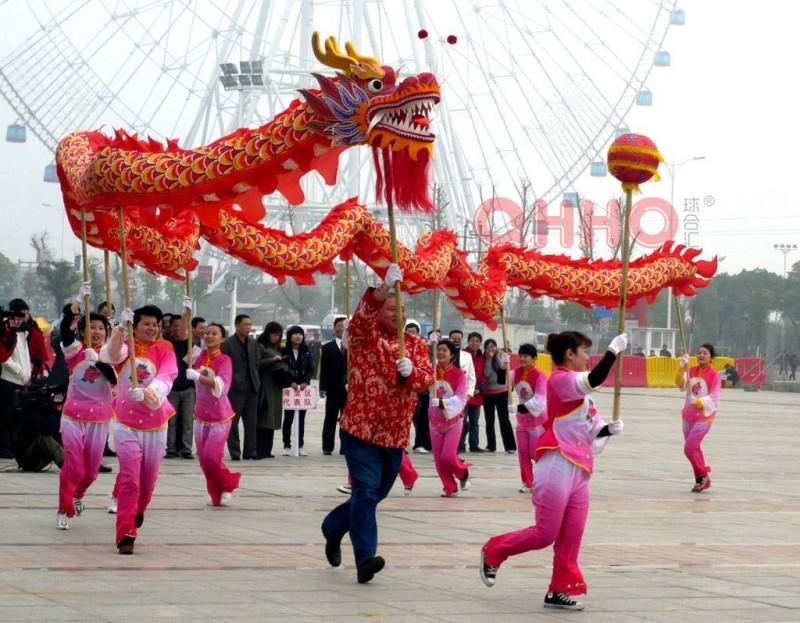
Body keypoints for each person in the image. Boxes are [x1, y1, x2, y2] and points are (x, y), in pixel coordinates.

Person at [480, 331, 628, 611]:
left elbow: (591, 427)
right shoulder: (560, 379)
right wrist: (612, 351)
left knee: (572, 535)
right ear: (570, 355)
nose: (587, 356)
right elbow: (594, 379)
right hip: (556, 463)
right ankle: (494, 551)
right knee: (545, 534)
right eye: (584, 351)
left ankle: (559, 589)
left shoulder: (582, 394)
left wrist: (608, 429)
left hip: (580, 469)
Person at [321, 264, 433, 584]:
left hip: (395, 434)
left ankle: (332, 527)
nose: (398, 314)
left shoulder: (414, 344)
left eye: (403, 308)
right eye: (391, 308)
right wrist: (381, 289)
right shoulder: (362, 335)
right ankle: (365, 558)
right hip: (361, 430)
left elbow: (425, 380)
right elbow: (361, 317)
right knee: (366, 494)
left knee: (373, 495)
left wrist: (412, 372)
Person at [103, 304, 178, 554]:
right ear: (136, 326)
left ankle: (138, 509)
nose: (152, 328)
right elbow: (108, 357)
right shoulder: (127, 347)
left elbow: (167, 377)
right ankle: (125, 533)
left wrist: (147, 392)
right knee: (130, 479)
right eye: (146, 323)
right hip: (126, 423)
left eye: (156, 324)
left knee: (146, 483)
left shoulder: (165, 349)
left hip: (156, 423)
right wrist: (119, 331)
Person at [56, 305, 116, 530]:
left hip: (99, 419)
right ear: (83, 331)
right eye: (92, 327)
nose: (97, 331)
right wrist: (72, 310)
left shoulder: (114, 353)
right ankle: (63, 508)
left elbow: (114, 378)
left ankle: (77, 494)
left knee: (90, 472)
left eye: (101, 328)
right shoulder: (75, 350)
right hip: (72, 415)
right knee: (74, 466)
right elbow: (65, 331)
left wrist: (100, 361)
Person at [187, 323, 241, 507]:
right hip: (200, 415)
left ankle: (227, 485)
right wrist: (186, 312)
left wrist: (199, 377)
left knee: (212, 457)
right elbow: (182, 337)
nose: (209, 336)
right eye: (207, 333)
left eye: (214, 333)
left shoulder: (225, 360)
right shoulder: (197, 355)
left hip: (220, 417)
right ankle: (216, 493)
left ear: (222, 338)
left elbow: (222, 386)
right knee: (204, 461)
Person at [0, 298, 49, 458]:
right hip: (9, 378)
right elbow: (5, 357)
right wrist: (20, 372)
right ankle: (3, 447)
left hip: (22, 380)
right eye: (22, 314)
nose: (25, 317)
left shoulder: (24, 332)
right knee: (6, 416)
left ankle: (13, 446)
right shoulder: (6, 331)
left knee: (17, 417)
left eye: (27, 313)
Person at [676, 343, 721, 492]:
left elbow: (714, 397)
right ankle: (700, 480)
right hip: (688, 415)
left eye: (705, 353)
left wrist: (699, 402)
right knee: (694, 449)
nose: (701, 355)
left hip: (704, 417)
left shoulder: (714, 375)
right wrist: (682, 367)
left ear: (711, 357)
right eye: (699, 352)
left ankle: (703, 473)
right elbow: (680, 384)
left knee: (689, 448)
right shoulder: (691, 370)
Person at [429, 339, 470, 497]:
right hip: (434, 421)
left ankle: (462, 472)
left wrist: (441, 402)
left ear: (452, 355)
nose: (440, 353)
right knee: (439, 461)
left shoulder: (459, 375)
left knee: (448, 456)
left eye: (444, 350)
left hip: (453, 422)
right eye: (438, 350)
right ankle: (450, 488)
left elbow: (461, 399)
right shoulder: (431, 371)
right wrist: (429, 343)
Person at [221, 314, 260, 461]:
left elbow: (256, 362)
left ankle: (250, 451)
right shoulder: (228, 344)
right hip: (235, 389)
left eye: (250, 324)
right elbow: (224, 365)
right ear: (237, 326)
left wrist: (256, 381)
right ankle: (235, 452)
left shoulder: (253, 342)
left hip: (252, 387)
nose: (248, 327)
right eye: (245, 324)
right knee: (233, 422)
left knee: (251, 422)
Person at [512, 343, 547, 494]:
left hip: (537, 421)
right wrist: (501, 361)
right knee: (523, 453)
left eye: (526, 356)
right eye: (521, 356)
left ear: (534, 358)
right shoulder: (515, 373)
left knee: (536, 452)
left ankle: (542, 480)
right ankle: (528, 482)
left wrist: (519, 407)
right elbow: (502, 378)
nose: (522, 359)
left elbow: (539, 400)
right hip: (522, 421)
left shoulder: (540, 375)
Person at [165, 300, 195, 459]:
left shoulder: (190, 344)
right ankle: (171, 448)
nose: (178, 329)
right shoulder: (167, 344)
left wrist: (187, 312)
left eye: (181, 326)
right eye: (175, 326)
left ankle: (186, 449)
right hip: (172, 389)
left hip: (188, 389)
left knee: (187, 422)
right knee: (171, 422)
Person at [281, 325, 315, 456]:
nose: (298, 336)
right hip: (290, 389)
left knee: (301, 418)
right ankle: (286, 445)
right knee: (288, 418)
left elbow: (311, 369)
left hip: (302, 389)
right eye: (295, 334)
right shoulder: (284, 351)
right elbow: (281, 367)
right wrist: (290, 382)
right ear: (290, 336)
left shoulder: (306, 351)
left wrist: (305, 382)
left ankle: (300, 445)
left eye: (300, 334)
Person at [480, 339, 516, 453]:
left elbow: (504, 369)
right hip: (488, 393)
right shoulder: (484, 359)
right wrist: (489, 359)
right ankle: (491, 445)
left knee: (504, 419)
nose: (491, 349)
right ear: (485, 348)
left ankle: (510, 446)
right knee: (489, 420)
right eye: (488, 347)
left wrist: (504, 359)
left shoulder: (501, 356)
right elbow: (486, 373)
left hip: (501, 392)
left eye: (493, 347)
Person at [320, 316, 348, 455]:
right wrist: (322, 387)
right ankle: (327, 446)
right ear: (334, 328)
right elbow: (323, 369)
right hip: (332, 388)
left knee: (346, 419)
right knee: (330, 418)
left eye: (344, 326)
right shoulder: (327, 347)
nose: (341, 328)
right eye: (339, 326)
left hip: (349, 389)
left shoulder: (353, 347)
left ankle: (345, 447)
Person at [256, 322, 284, 459]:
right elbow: (257, 364)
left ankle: (268, 450)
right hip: (264, 387)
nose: (276, 337)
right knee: (263, 419)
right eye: (274, 334)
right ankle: (260, 449)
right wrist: (272, 360)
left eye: (278, 335)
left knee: (272, 418)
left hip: (276, 388)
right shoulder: (260, 346)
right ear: (268, 333)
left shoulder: (277, 348)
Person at [448, 329, 476, 454]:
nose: (456, 341)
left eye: (459, 339)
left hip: (462, 395)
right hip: (447, 394)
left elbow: (471, 377)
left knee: (462, 421)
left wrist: (469, 393)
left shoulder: (467, 356)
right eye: (454, 339)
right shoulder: (443, 353)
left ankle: (460, 443)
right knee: (447, 420)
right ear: (449, 339)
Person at [410, 325, 432, 453]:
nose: (411, 333)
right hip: (406, 389)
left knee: (422, 417)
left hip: (422, 389)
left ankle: (421, 443)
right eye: (409, 331)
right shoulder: (400, 345)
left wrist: (431, 345)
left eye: (414, 332)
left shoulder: (424, 347)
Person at [463, 332, 486, 453]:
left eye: (477, 341)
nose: (475, 343)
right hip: (465, 392)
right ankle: (461, 444)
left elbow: (483, 374)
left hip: (477, 394)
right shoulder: (463, 355)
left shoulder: (482, 357)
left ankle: (474, 444)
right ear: (468, 341)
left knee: (474, 421)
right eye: (473, 340)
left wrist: (480, 387)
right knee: (462, 420)